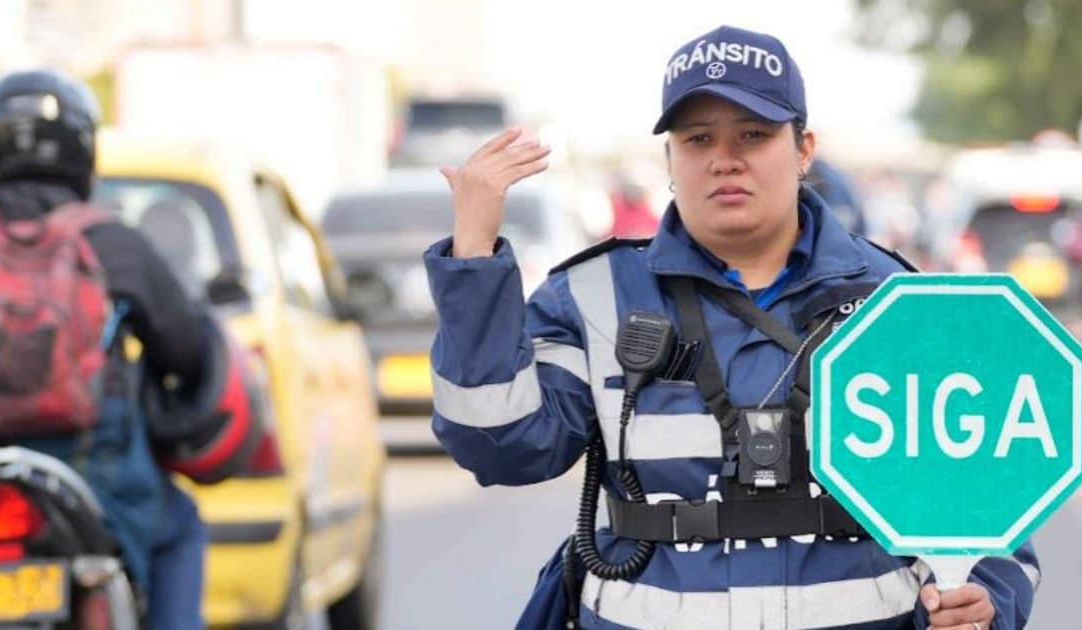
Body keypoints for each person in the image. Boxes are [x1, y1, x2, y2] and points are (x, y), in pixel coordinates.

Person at [426, 25, 1037, 629]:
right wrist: (474, 254)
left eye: (754, 134)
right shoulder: (591, 296)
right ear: (670, 158)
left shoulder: (898, 299)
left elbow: (995, 509)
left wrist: (983, 602)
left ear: (803, 149)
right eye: (698, 139)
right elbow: (500, 447)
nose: (724, 159)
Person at [0, 69, 208, 629]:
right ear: (83, 148)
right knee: (180, 528)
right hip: (102, 475)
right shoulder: (112, 242)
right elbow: (185, 348)